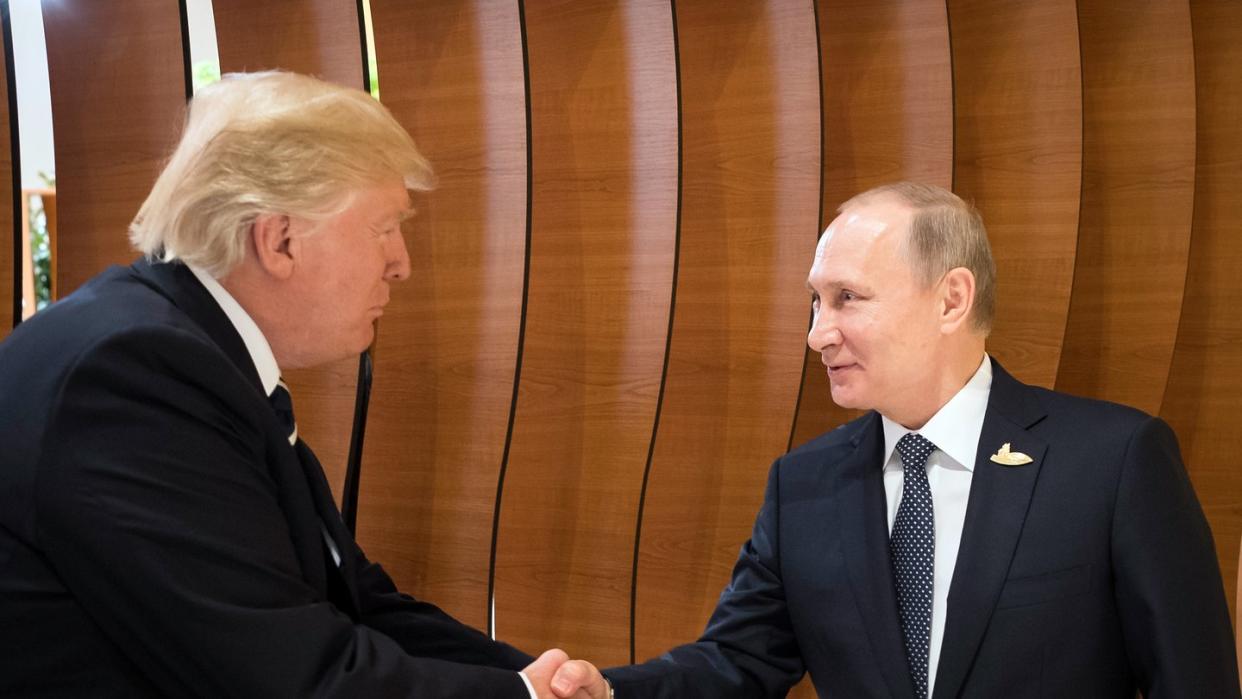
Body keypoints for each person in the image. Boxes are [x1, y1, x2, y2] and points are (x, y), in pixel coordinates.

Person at [0, 71, 599, 698]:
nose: (402, 263)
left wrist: (542, 680)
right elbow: (288, 679)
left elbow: (357, 604)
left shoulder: (179, 351)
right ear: (280, 239)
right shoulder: (130, 376)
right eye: (384, 228)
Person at [549, 182, 1240, 697]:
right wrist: (612, 690)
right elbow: (736, 661)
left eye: (848, 297)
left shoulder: (1114, 461)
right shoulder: (803, 485)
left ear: (951, 299)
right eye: (816, 302)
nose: (818, 332)